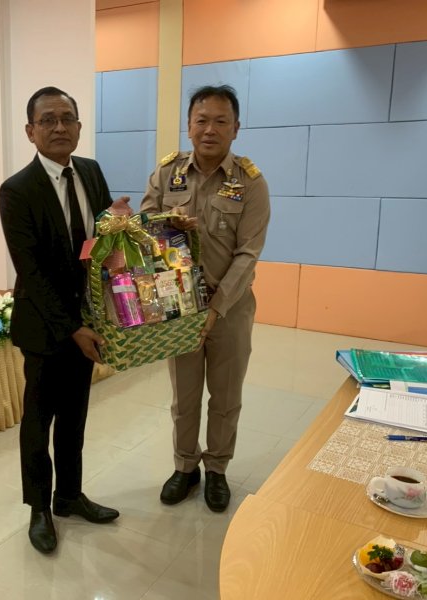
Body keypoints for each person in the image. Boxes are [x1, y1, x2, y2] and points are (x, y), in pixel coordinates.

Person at [0, 86, 126, 554]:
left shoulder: (90, 171)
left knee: (75, 417)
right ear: (30, 131)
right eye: (48, 120)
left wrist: (124, 226)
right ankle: (39, 508)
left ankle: (69, 496)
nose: (59, 127)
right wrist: (73, 328)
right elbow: (30, 271)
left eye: (67, 118)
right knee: (39, 422)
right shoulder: (17, 190)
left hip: (88, 321)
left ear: (78, 126)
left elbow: (106, 242)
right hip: (45, 326)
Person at [139, 84, 270, 512]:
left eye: (220, 121)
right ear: (189, 125)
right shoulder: (167, 174)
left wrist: (216, 308)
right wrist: (164, 225)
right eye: (201, 120)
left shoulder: (250, 183)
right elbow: (143, 234)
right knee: (185, 396)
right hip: (179, 309)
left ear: (236, 128)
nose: (209, 129)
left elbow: (248, 253)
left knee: (226, 397)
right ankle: (184, 466)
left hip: (229, 308)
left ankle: (216, 469)